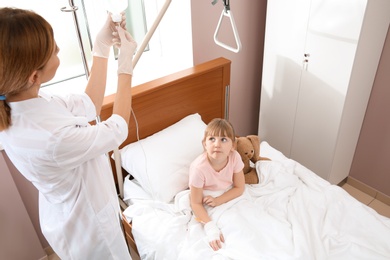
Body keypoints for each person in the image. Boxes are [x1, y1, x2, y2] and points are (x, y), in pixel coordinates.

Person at [0, 7, 136, 259]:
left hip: (65, 212)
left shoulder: (22, 100)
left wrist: (101, 45)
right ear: (34, 76)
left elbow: (89, 104)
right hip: (91, 231)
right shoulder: (49, 137)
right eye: (52, 50)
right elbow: (117, 128)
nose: (59, 49)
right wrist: (125, 65)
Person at [189, 118, 245, 251]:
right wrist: (210, 228)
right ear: (204, 144)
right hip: (207, 197)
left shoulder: (235, 157)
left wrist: (218, 200)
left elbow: (240, 187)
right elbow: (195, 203)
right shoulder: (198, 168)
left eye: (223, 139)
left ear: (233, 145)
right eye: (212, 139)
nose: (217, 144)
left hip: (225, 194)